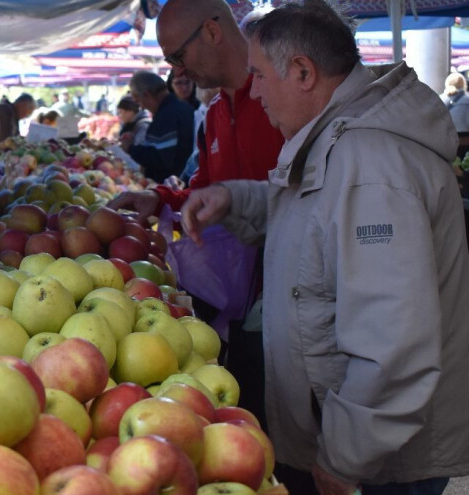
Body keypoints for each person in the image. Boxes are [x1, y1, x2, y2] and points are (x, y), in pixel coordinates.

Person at [181, 2, 469, 494]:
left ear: (303, 72)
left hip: (385, 463)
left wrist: (344, 455)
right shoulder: (339, 140)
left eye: (260, 76)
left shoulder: (373, 167)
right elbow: (314, 216)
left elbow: (392, 336)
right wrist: (236, 198)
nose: (256, 91)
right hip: (369, 446)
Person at [108, 0, 286, 437]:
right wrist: (161, 198)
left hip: (295, 301)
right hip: (244, 305)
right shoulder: (216, 115)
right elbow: (206, 189)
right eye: (169, 61)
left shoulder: (282, 99)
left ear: (211, 31)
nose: (177, 72)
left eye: (178, 56)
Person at [120, 70, 194, 183]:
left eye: (139, 102)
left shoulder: (167, 115)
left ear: (147, 95)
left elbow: (162, 159)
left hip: (172, 187)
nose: (142, 108)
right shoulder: (179, 107)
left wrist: (130, 148)